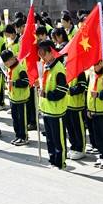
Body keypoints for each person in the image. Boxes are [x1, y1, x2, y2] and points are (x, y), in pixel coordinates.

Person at [37, 40, 69, 169]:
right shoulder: (45, 66)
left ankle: (60, 162)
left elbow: (61, 91)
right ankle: (52, 160)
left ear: (51, 52)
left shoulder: (59, 68)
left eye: (44, 54)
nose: (42, 57)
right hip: (46, 109)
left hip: (56, 111)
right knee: (49, 138)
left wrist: (46, 95)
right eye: (40, 54)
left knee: (58, 139)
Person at [2, 50, 30, 146]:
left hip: (21, 98)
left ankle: (24, 137)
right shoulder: (10, 68)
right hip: (13, 98)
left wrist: (14, 83)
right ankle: (18, 136)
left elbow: (26, 82)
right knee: (15, 119)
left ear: (12, 59)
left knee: (22, 119)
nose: (6, 65)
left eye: (7, 63)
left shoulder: (20, 68)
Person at [65, 70, 87, 161]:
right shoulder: (66, 70)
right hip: (67, 105)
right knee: (70, 129)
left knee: (78, 129)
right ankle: (73, 146)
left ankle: (80, 149)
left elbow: (82, 87)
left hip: (77, 106)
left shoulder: (80, 72)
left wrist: (70, 90)